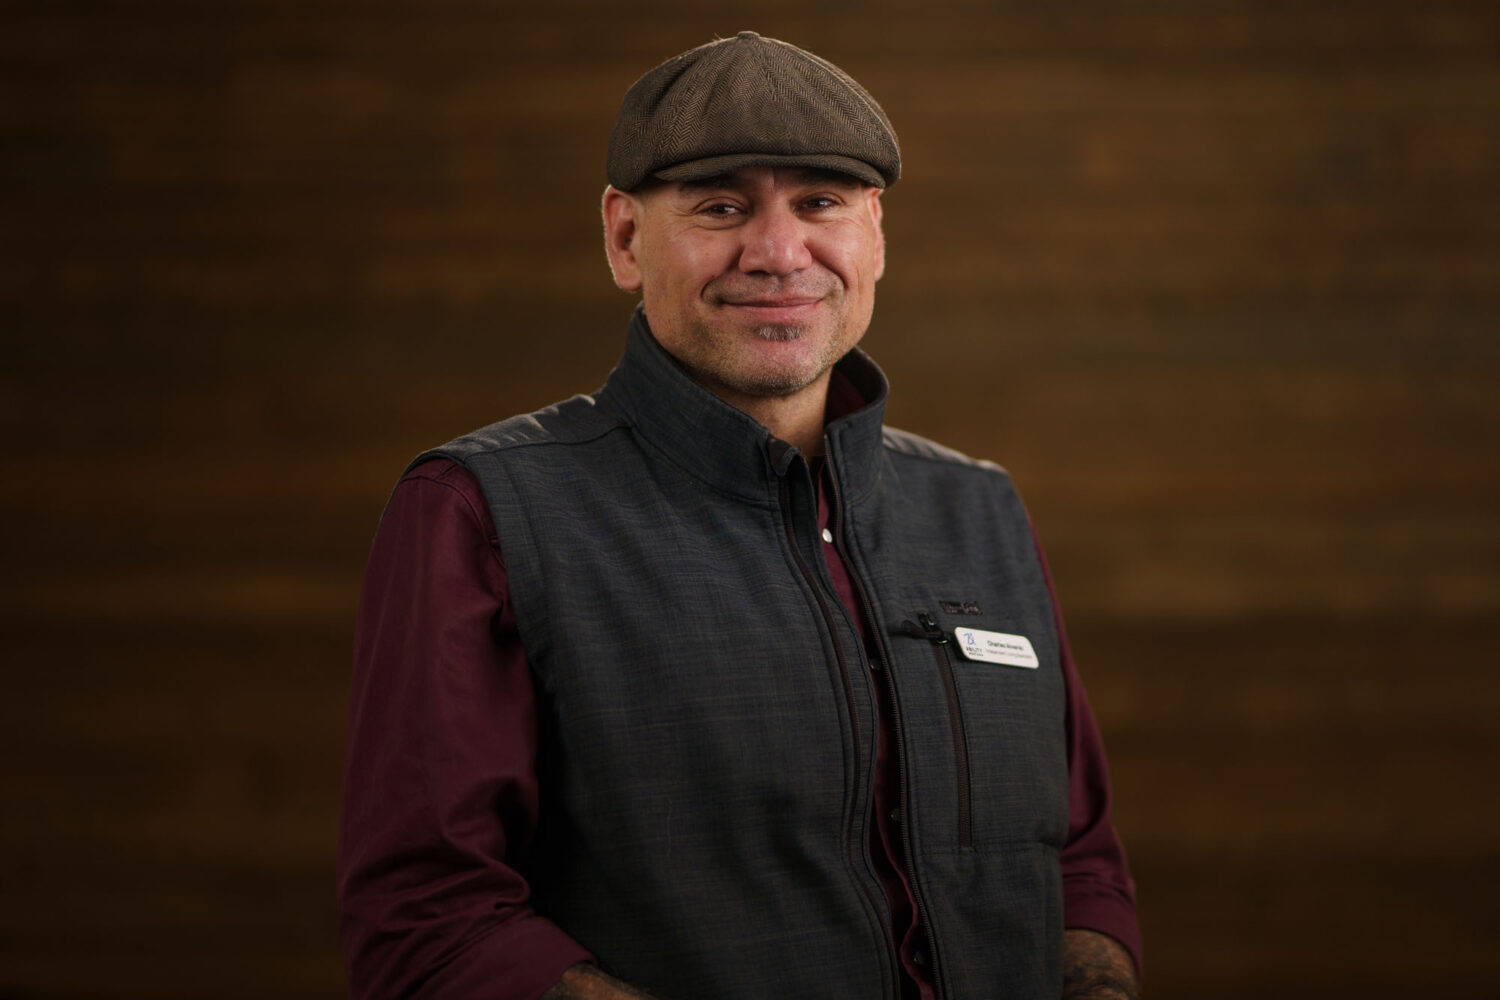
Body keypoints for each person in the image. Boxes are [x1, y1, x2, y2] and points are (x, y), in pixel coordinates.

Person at [339, 31, 1141, 1000]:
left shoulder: (980, 507)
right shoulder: (482, 511)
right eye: (721, 207)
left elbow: (1079, 865)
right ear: (624, 239)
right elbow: (429, 924)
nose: (778, 253)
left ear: (875, 234)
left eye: (821, 203)